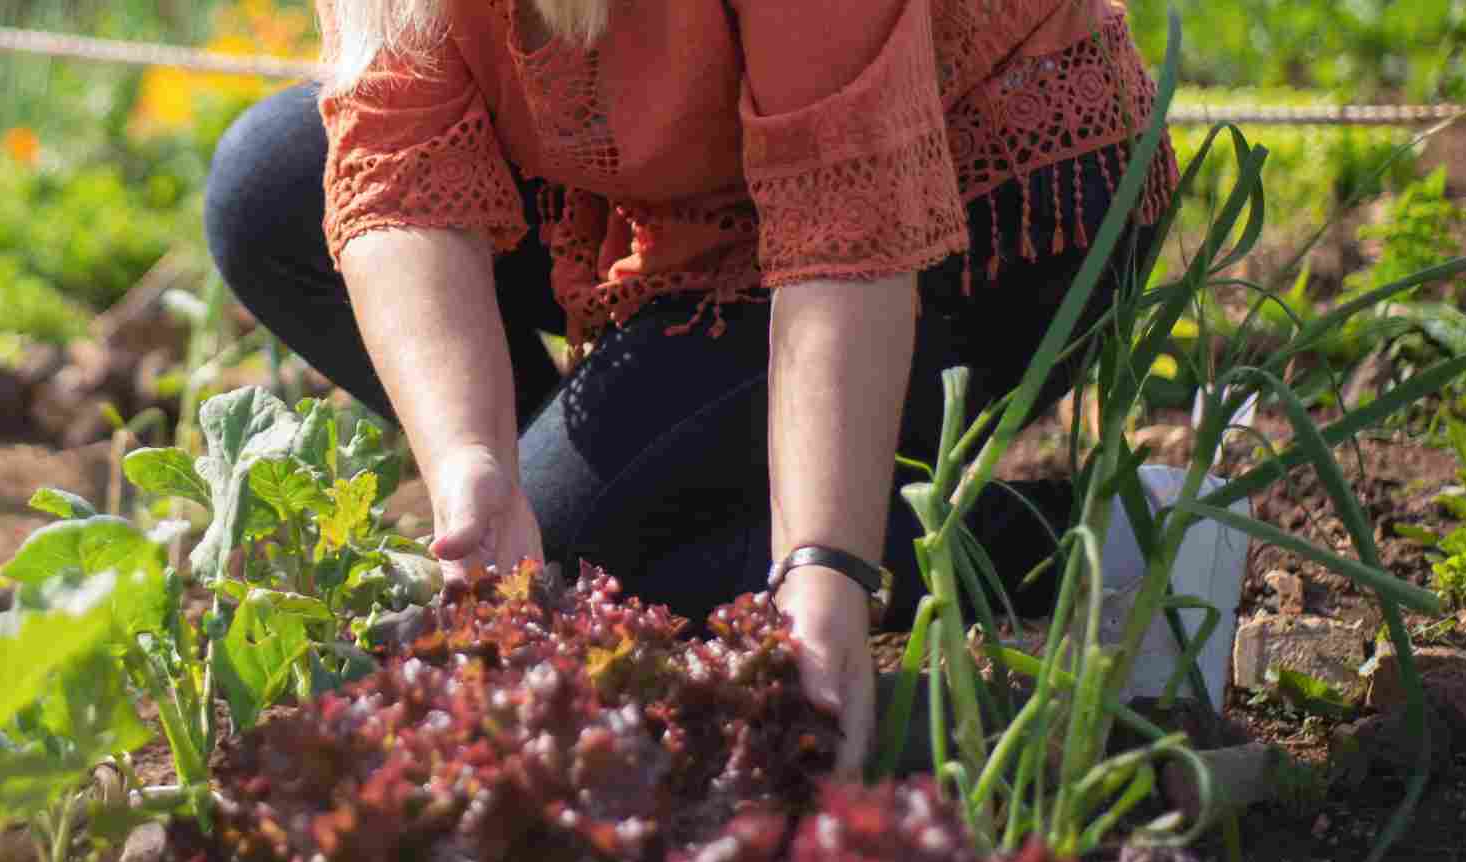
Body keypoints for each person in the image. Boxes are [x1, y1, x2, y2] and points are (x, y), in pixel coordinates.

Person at [204, 0, 1196, 777]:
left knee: (587, 557)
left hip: (975, 205)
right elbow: (396, 160)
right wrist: (471, 457)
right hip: (679, 189)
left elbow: (843, 238)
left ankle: (1103, 539)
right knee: (272, 185)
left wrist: (824, 566)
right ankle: (636, 484)